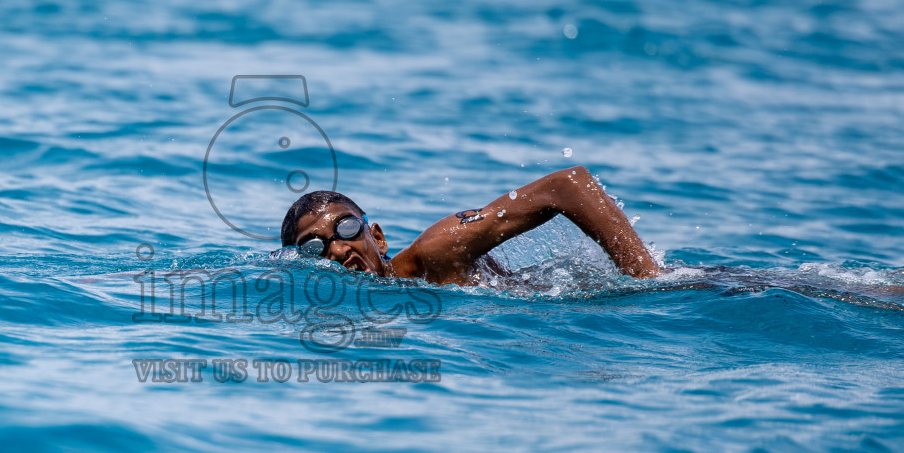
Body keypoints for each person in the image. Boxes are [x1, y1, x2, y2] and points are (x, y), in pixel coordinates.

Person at [280, 166, 660, 286]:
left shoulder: (435, 253)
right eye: (315, 248)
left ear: (377, 237)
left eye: (346, 229)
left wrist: (646, 277)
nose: (338, 251)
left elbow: (568, 184)